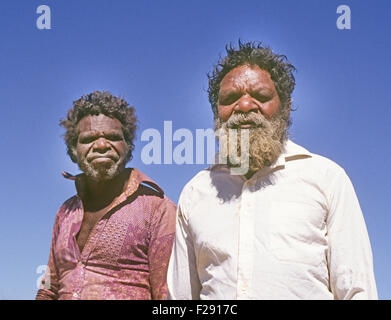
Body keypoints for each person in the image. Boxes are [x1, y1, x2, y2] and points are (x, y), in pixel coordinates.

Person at [167, 41, 378, 300]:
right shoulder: (195, 192)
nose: (244, 107)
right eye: (230, 99)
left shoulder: (327, 179)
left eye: (261, 97)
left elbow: (358, 291)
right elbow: (181, 297)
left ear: (286, 107)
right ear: (216, 113)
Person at [36, 91, 176, 300]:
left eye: (112, 137)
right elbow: (49, 286)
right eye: (89, 138)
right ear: (73, 150)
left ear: (128, 147)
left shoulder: (158, 209)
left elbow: (167, 295)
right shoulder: (65, 212)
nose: (102, 145)